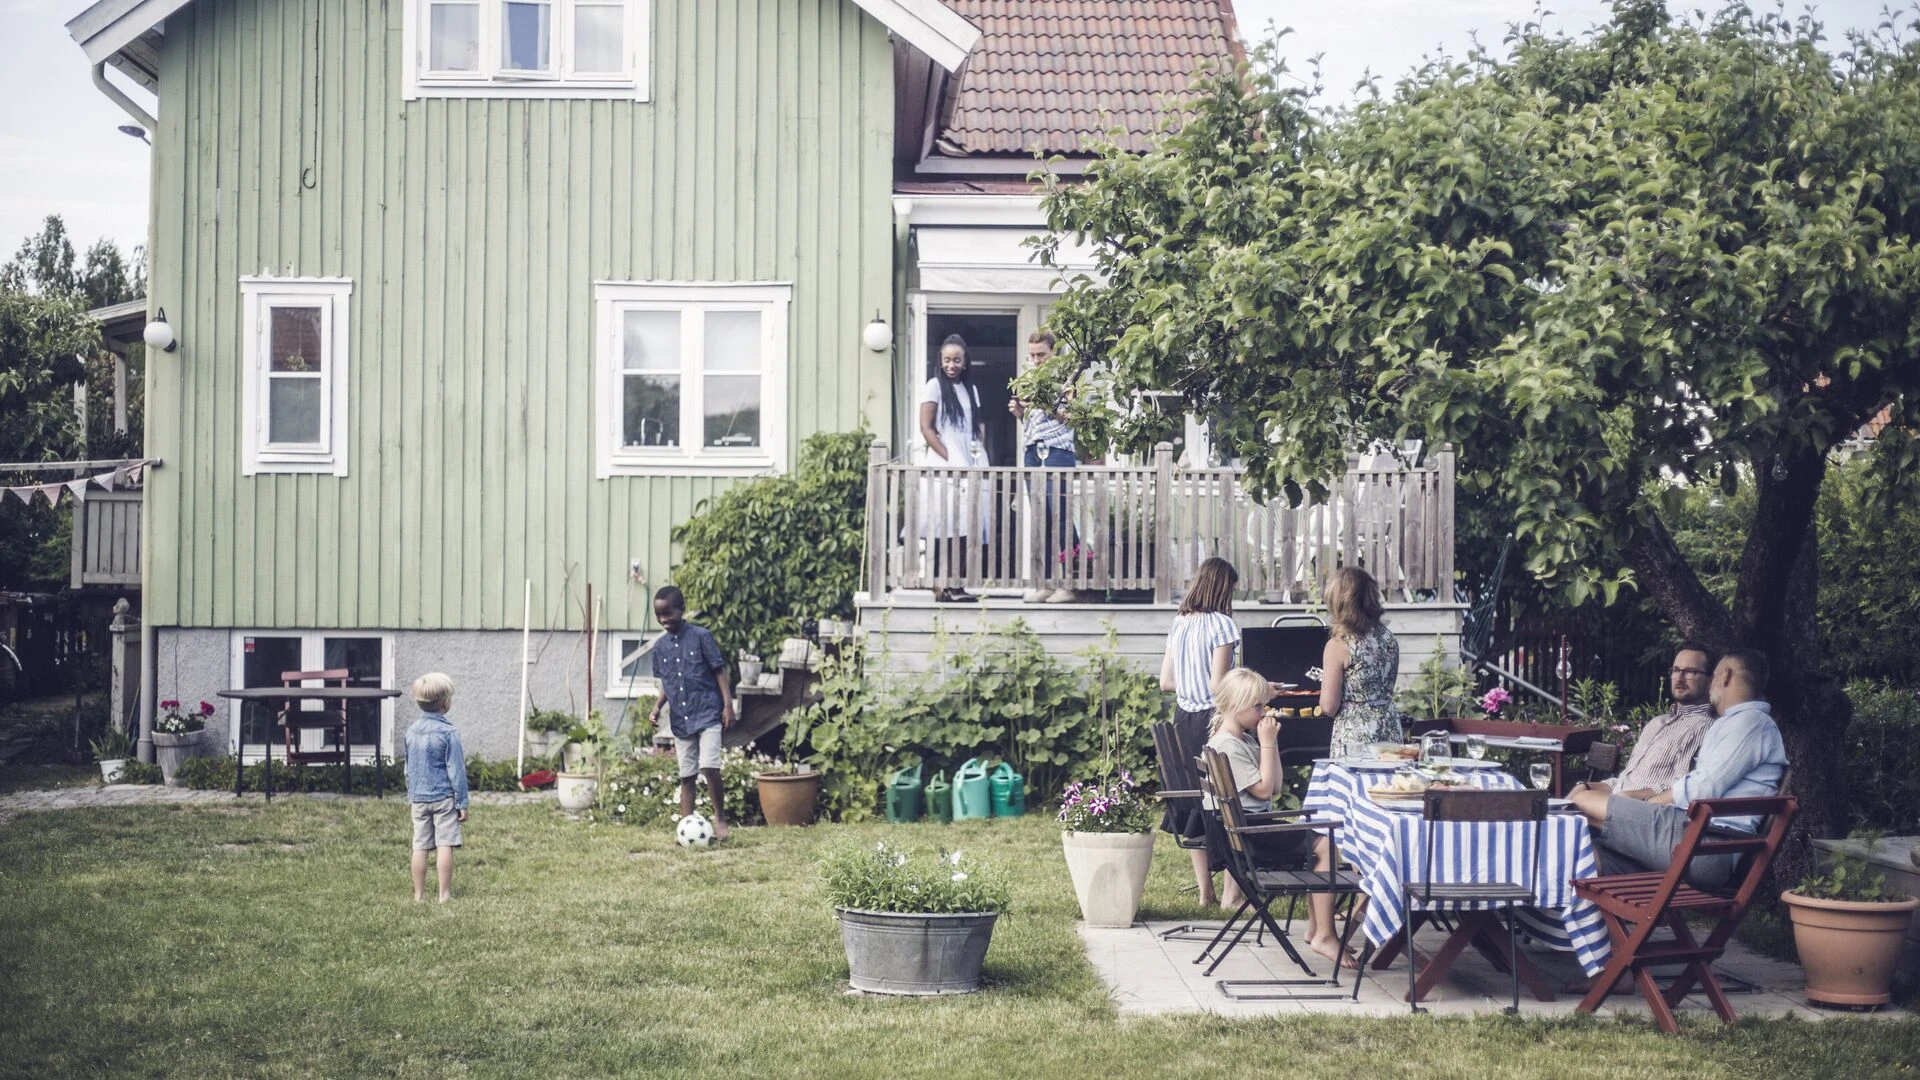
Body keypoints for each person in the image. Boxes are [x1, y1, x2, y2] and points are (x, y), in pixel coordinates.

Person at [1569, 649, 1789, 890]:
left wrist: (1648, 805)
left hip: (1707, 847)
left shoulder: (1750, 723)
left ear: (1725, 676)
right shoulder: (1739, 724)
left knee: (1582, 801)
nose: (1711, 685)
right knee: (1585, 854)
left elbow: (1703, 787)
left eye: (1713, 676)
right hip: (1695, 842)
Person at [1206, 668, 1355, 968]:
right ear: (1236, 705)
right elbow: (1263, 791)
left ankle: (1316, 928)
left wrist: (1267, 744)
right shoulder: (1228, 746)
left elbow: (1274, 786)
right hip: (1249, 833)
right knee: (1325, 846)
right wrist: (1268, 744)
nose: (1264, 711)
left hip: (1249, 827)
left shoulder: (1240, 740)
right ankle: (1325, 933)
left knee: (1318, 843)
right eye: (1257, 706)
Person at [1158, 557, 1286, 905]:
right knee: (1228, 804)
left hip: (1183, 718)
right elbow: (1219, 685)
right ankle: (1234, 891)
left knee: (1198, 806)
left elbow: (1166, 681)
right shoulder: (1222, 625)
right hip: (1211, 721)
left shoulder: (1179, 622)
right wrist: (1258, 692)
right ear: (1223, 588)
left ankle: (1206, 893)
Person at [649, 586, 737, 841]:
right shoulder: (660, 647)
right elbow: (666, 682)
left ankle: (720, 819)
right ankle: (685, 826)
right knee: (686, 775)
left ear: (681, 610)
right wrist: (657, 707)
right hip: (681, 719)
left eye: (668, 614)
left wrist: (727, 705)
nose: (664, 620)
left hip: (708, 712)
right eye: (659, 616)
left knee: (709, 767)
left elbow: (718, 671)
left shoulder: (701, 636)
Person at [1592, 643, 1719, 799]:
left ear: (1710, 680)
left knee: (1579, 802)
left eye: (1690, 672)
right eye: (1676, 670)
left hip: (1645, 809)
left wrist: (1627, 797)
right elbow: (1625, 780)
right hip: (1618, 801)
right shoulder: (1656, 723)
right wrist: (1587, 786)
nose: (1679, 678)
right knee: (1577, 795)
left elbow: (1680, 787)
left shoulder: (1704, 727)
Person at [1010, 330, 1079, 604]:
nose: (1037, 360)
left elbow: (1070, 417)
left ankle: (1071, 583)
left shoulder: (1067, 379)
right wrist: (1021, 414)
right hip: (1032, 452)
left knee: (1061, 516)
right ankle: (1047, 583)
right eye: (1033, 355)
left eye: (1042, 354)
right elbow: (1034, 423)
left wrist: (1043, 402)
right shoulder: (1028, 380)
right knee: (1042, 518)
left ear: (1054, 352)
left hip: (1058, 453)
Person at [918, 333, 987, 603]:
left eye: (957, 360)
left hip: (969, 455)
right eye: (946, 360)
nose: (951, 365)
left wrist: (976, 452)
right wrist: (950, 457)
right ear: (940, 361)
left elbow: (975, 426)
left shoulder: (971, 390)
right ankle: (940, 584)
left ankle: (956, 584)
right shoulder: (934, 386)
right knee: (944, 522)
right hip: (945, 458)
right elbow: (926, 428)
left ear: (965, 362)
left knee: (966, 523)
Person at [1318, 566, 1402, 756]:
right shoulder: (1388, 637)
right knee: (1388, 785)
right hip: (1389, 729)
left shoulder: (1338, 645)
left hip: (1356, 737)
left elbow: (1329, 706)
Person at [403, 672, 468, 903]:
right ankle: (444, 895)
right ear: (445, 703)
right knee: (444, 844)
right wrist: (462, 802)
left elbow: (408, 767)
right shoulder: (449, 733)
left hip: (418, 798)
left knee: (419, 846)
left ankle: (419, 895)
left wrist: (412, 793)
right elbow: (456, 771)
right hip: (443, 798)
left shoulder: (411, 732)